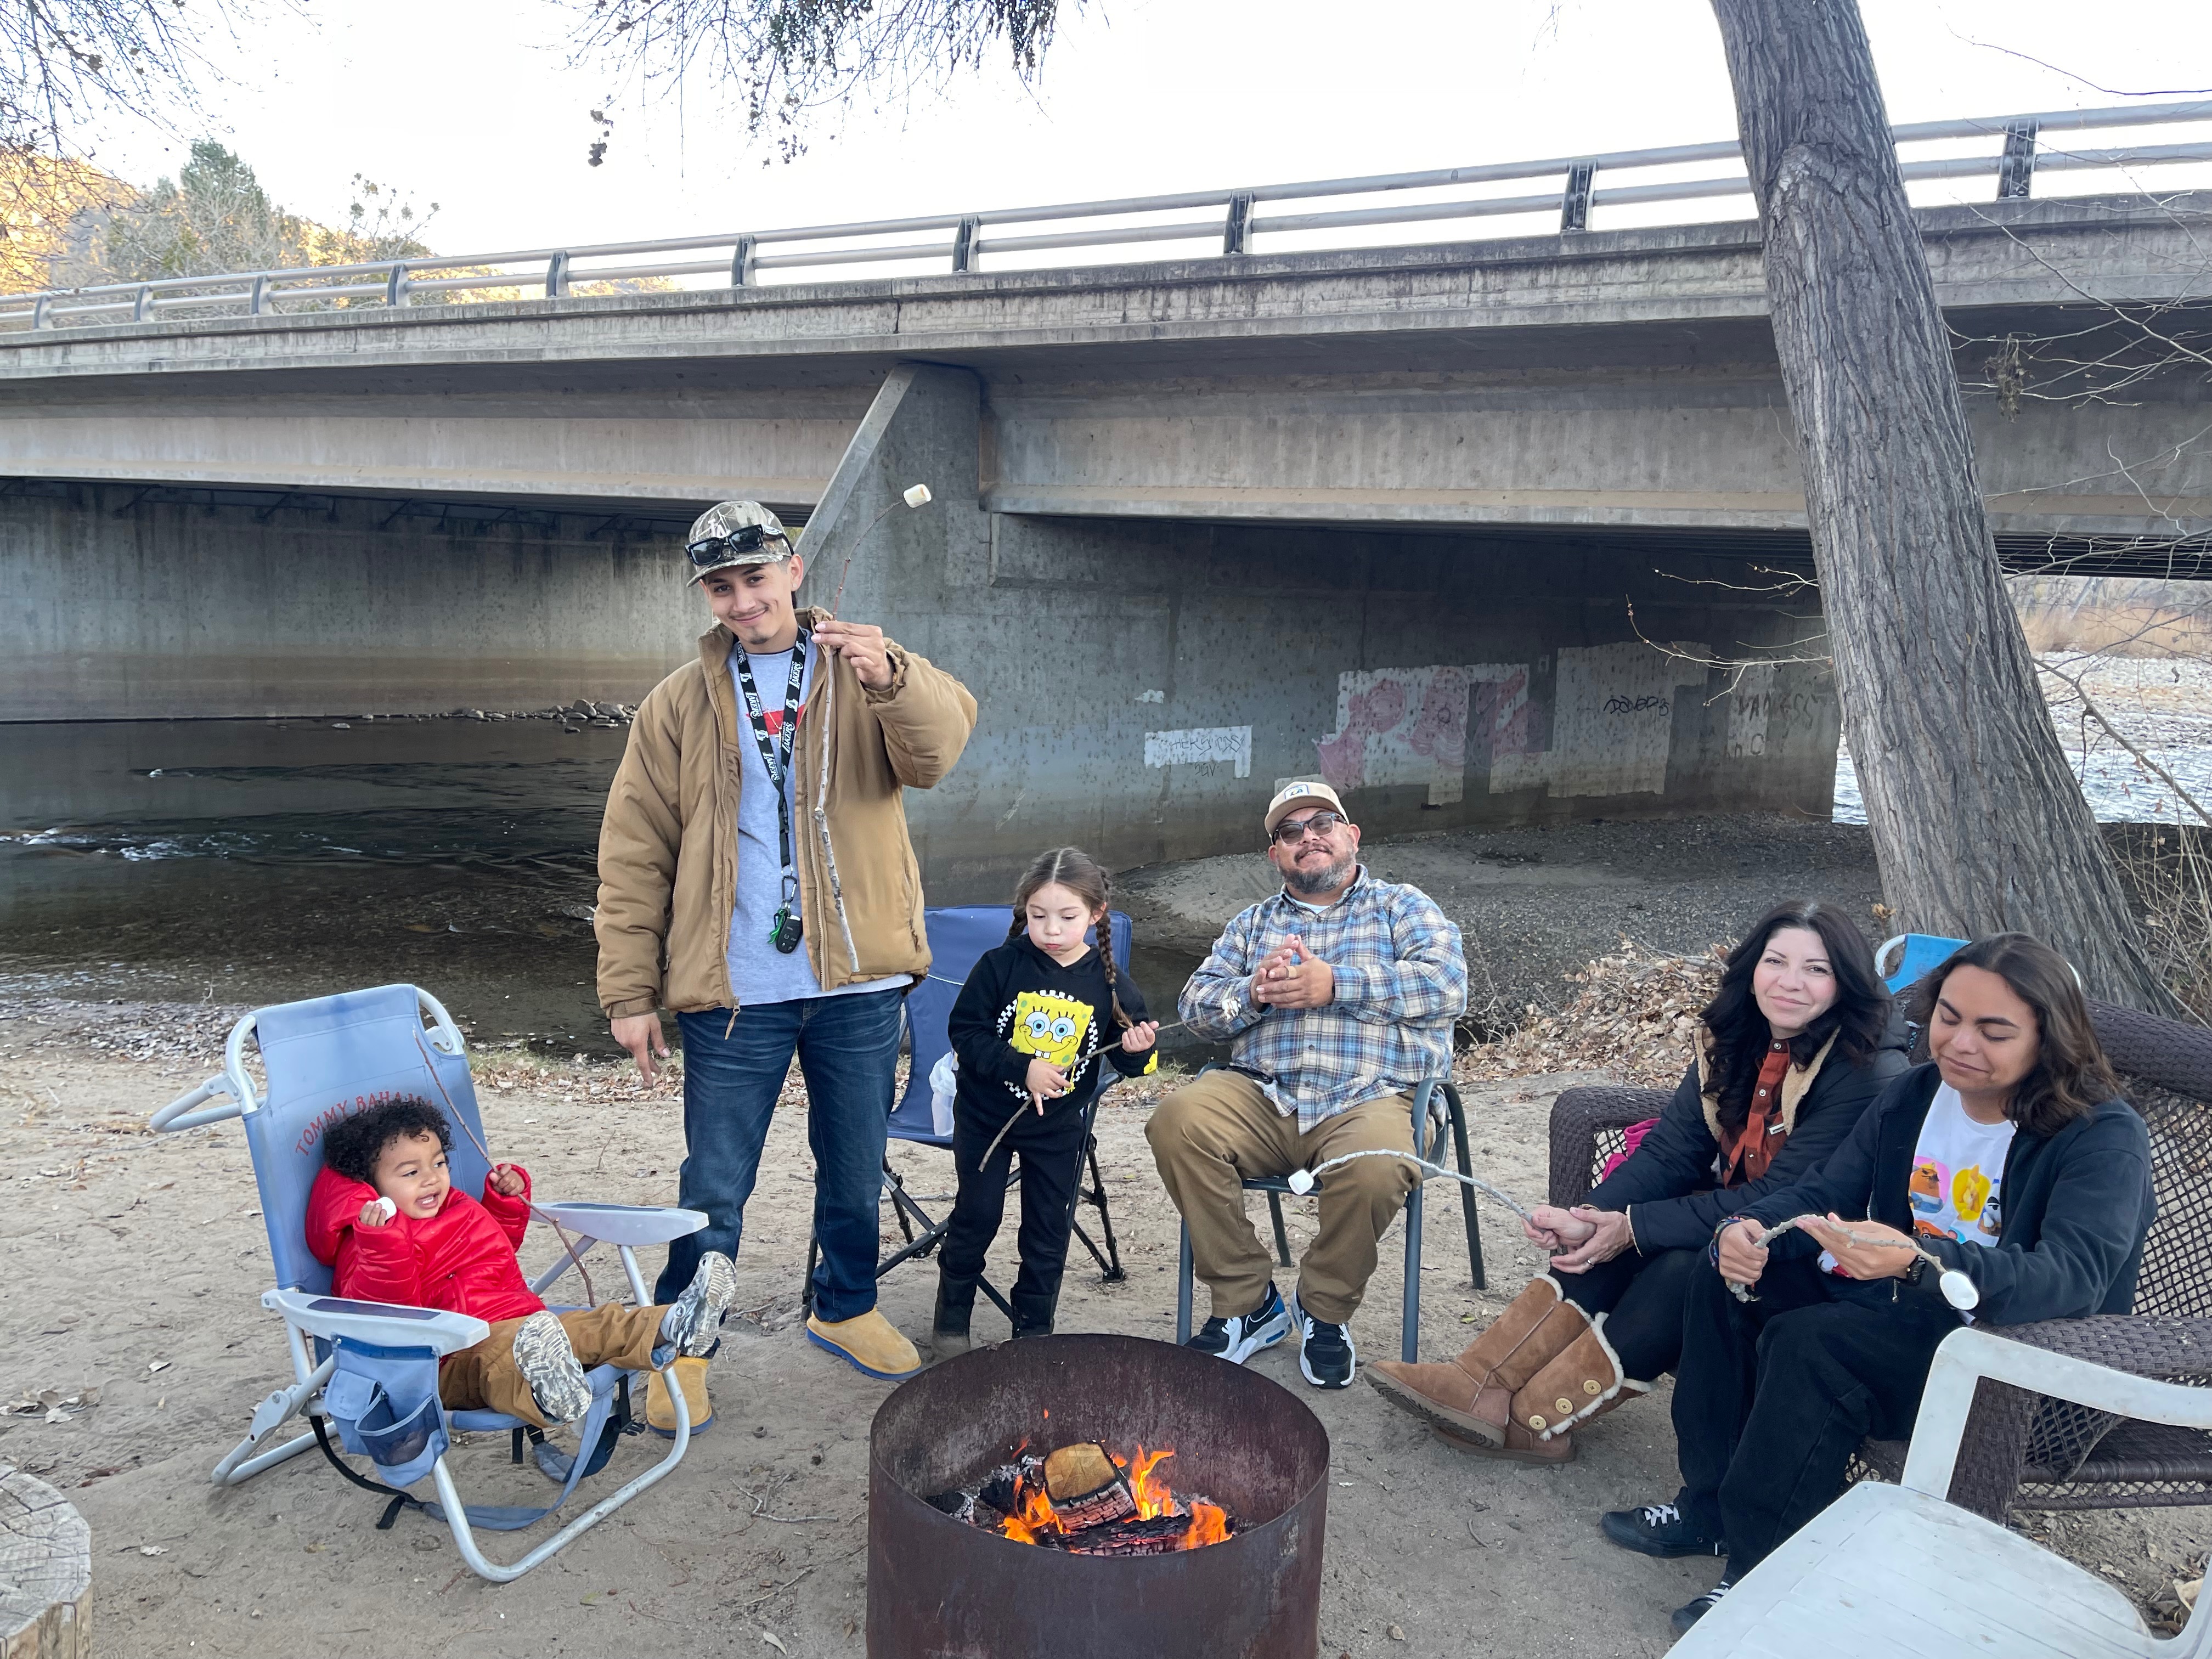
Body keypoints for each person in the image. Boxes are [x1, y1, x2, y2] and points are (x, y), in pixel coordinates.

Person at [1604, 933, 2155, 1636]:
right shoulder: (1919, 1093)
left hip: (2017, 1360)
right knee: (1727, 1280)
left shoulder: (2099, 1135)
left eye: (1995, 1032)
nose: (1961, 1043)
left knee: (1815, 1344)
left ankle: (1765, 1571)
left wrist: (1921, 1263)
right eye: (1949, 1017)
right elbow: (1823, 1190)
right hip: (1902, 1305)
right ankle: (1709, 1508)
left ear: (2048, 1038)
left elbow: (2072, 1277)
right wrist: (1744, 1231)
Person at [595, 500, 977, 1421]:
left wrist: (892, 675)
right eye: (721, 587)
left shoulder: (866, 667)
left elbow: (938, 752)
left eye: (756, 578)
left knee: (853, 1163)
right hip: (732, 989)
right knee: (714, 1181)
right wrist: (628, 991)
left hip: (857, 982)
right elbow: (634, 849)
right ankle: (686, 1341)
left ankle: (844, 1305)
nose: (742, 600)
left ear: (793, 573)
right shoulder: (677, 702)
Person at [1369, 899, 1908, 1462]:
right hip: (1735, 1227)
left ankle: (1536, 1422)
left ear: (1845, 981)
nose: (1790, 982)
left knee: (1679, 1266)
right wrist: (1592, 1217)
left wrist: (1634, 1227)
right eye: (1776, 962)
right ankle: (1481, 1383)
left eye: (1816, 969)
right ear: (1752, 970)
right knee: (1611, 1246)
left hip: (1821, 1262)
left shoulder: (1866, 1068)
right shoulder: (1735, 1038)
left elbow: (1785, 1198)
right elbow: (1673, 1151)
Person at [1147, 780, 1468, 1390]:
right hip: (1263, 1093)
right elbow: (1195, 1008)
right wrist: (1252, 993)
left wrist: (1337, 984)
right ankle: (1248, 1303)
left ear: (1352, 836)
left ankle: (1323, 1309)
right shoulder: (1252, 924)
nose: (1308, 837)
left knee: (1377, 1166)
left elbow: (1448, 986)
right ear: (1276, 855)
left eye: (1322, 823)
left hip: (1376, 1094)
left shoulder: (1402, 906)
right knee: (1176, 1121)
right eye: (1290, 832)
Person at [306, 1097, 737, 1429]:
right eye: (410, 1172)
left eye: (438, 1163)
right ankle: (550, 1398)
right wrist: (384, 1246)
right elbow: (383, 1315)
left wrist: (503, 1202)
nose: (433, 1177)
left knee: (593, 1325)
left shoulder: (458, 1208)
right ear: (371, 1188)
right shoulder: (369, 1241)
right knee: (503, 1364)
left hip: (527, 1326)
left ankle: (675, 1324)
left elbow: (496, 1252)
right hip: (447, 1359)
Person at [934, 848, 1160, 1353]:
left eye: (1067, 917)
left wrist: (1137, 1051)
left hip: (1058, 1129)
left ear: (1096, 914)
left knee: (1047, 1230)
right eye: (1038, 917)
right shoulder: (1000, 966)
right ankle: (951, 1319)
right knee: (976, 1216)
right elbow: (965, 1033)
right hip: (986, 1119)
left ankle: (1033, 1330)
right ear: (1025, 913)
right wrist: (1023, 1067)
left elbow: (1134, 1065)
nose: (1051, 930)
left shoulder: (1111, 985)